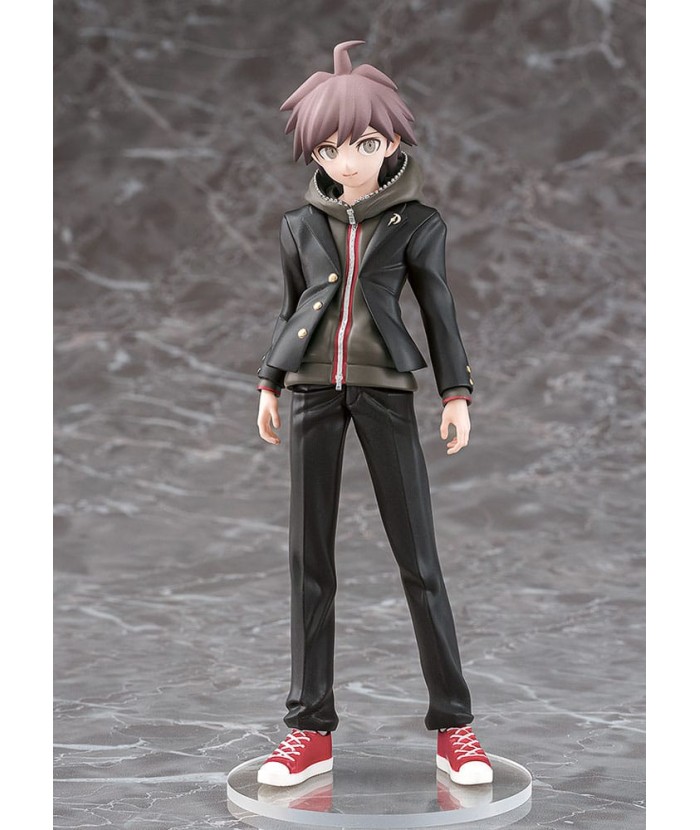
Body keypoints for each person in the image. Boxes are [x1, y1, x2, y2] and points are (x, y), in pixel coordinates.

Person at [254, 40, 492, 788]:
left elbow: (440, 311)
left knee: (418, 558)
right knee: (309, 563)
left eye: (362, 143)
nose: (346, 161)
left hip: (385, 386)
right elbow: (290, 310)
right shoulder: (299, 226)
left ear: (390, 141)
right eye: (329, 149)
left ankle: (455, 726)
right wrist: (269, 381)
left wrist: (456, 392)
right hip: (309, 393)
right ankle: (308, 729)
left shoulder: (417, 223)